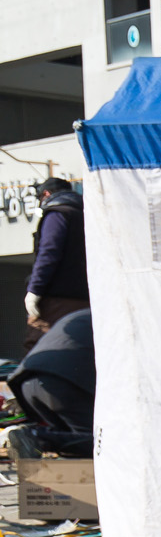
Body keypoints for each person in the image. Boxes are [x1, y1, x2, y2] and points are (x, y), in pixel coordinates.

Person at [5, 306, 93, 459]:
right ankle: (38, 438)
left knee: (72, 441)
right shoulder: (124, 324)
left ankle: (38, 438)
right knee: (103, 443)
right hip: (62, 381)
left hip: (27, 381)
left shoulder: (86, 315)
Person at [24, 177, 88, 351]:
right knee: (77, 349)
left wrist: (34, 290)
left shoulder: (58, 214)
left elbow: (49, 252)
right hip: (85, 299)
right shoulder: (86, 216)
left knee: (40, 348)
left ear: (46, 194)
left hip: (55, 300)